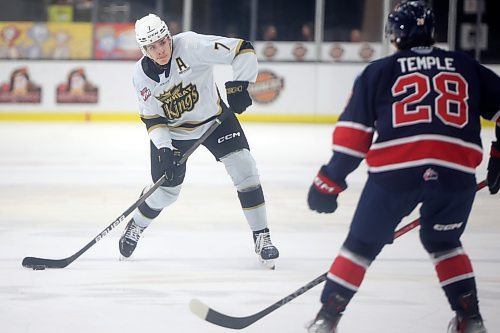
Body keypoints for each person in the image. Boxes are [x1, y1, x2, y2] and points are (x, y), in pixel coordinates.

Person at [306, 1, 499, 332]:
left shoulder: (379, 71)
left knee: (362, 245)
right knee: (444, 242)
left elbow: (353, 139)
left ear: (394, 35)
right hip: (456, 174)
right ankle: (471, 319)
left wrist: (328, 182)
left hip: (396, 173)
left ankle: (326, 319)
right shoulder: (465, 65)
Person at [119, 13, 279, 269]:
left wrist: (240, 85)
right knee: (166, 193)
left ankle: (262, 236)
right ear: (143, 49)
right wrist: (164, 149)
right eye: (152, 47)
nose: (160, 50)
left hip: (216, 120)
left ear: (168, 36)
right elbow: (152, 119)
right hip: (174, 133)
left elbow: (242, 49)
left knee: (245, 168)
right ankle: (136, 224)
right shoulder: (140, 76)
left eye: (162, 41)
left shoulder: (191, 45)